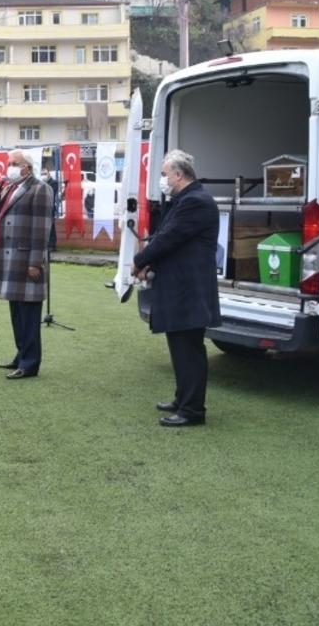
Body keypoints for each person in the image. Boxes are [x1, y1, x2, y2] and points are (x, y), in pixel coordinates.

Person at [131, 150, 221, 428]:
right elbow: (165, 238)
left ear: (178, 175)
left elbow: (169, 238)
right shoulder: (185, 199)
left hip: (188, 288)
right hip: (180, 286)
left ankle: (192, 410)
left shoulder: (196, 202)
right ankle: (183, 398)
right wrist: (148, 260)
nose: (162, 180)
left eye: (164, 174)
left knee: (189, 349)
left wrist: (140, 260)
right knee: (179, 347)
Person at [0, 150, 54, 380]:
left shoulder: (40, 189)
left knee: (28, 316)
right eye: (9, 163)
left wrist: (36, 261)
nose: (9, 167)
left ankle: (30, 363)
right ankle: (21, 355)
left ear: (27, 167)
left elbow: (41, 228)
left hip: (26, 262)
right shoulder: (10, 187)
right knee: (17, 314)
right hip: (10, 262)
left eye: (14, 163)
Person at [40, 166, 60, 252]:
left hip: (50, 208)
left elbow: (51, 192)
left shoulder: (54, 182)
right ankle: (45, 245)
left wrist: (43, 184)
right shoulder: (39, 183)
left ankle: (52, 245)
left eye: (45, 173)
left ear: (48, 174)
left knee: (51, 227)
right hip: (41, 207)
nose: (43, 175)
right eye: (42, 174)